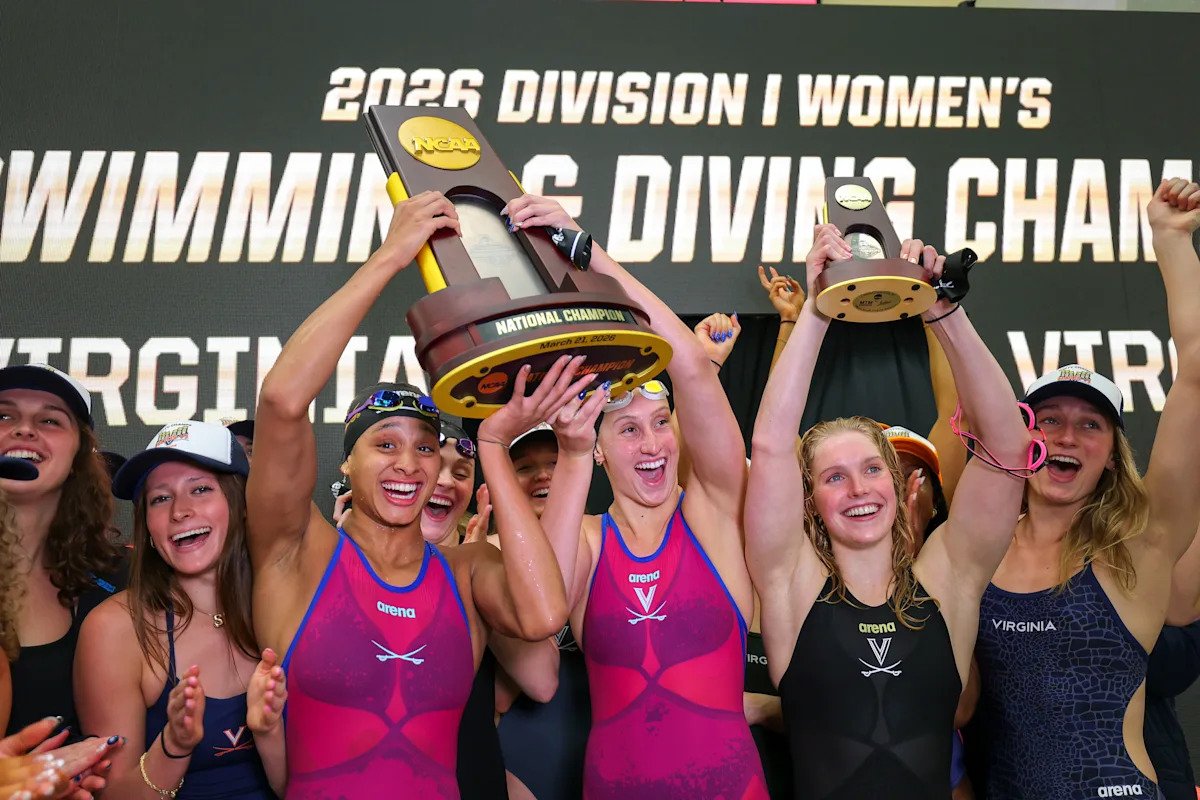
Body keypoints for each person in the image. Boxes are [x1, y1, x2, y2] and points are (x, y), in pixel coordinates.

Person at [246, 189, 575, 799]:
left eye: (426, 447)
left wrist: (497, 448)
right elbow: (282, 401)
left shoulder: (467, 570)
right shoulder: (300, 553)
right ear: (346, 460)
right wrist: (390, 257)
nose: (409, 463)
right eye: (385, 444)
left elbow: (544, 615)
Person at [745, 223, 1033, 799]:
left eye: (873, 469)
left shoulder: (948, 583)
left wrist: (942, 309)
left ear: (901, 487)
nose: (858, 488)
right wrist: (819, 309)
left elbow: (1008, 449)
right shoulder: (791, 587)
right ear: (810, 500)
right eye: (834, 476)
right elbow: (773, 445)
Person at [503, 194, 768, 799]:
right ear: (599, 449)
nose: (651, 442)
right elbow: (538, 611)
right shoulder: (589, 540)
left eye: (660, 422)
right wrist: (569, 453)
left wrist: (588, 254)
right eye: (627, 429)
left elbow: (694, 371)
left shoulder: (713, 516)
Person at [971, 180, 1200, 799]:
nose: (1068, 435)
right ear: (1026, 437)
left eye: (1090, 423)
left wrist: (1170, 240)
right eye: (1050, 419)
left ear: (1112, 456)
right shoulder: (974, 548)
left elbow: (1199, 368)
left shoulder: (1142, 550)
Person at [75, 420, 286, 798]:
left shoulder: (288, 605)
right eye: (160, 498)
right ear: (149, 530)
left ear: (239, 504)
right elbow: (113, 794)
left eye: (200, 489)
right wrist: (174, 746)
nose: (179, 512)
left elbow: (315, 784)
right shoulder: (115, 629)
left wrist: (270, 734)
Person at [422, 420, 560, 800]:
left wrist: (477, 580)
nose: (446, 481)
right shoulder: (342, 566)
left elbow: (542, 682)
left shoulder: (483, 563)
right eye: (433, 463)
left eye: (461, 472)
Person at [0, 364, 124, 737]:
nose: (24, 429)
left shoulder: (119, 578)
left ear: (79, 456)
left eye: (50, 421)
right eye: (4, 415)